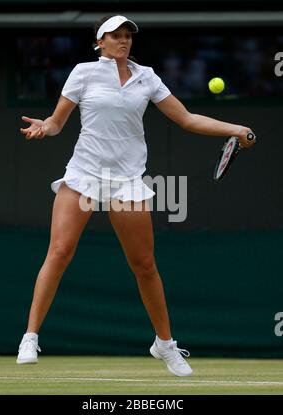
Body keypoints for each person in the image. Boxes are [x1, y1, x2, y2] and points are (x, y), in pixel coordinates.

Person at [16, 14, 255, 376]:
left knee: (144, 265)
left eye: (128, 35)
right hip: (83, 174)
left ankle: (165, 345)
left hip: (126, 181)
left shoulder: (148, 77)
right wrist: (44, 128)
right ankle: (30, 335)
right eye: (116, 35)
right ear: (100, 41)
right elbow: (57, 122)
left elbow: (187, 118)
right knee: (60, 251)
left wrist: (236, 128)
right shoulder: (83, 72)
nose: (124, 41)